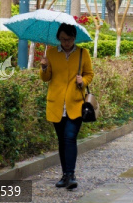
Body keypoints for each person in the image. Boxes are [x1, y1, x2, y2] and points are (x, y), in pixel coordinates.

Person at [40, 22, 94, 191]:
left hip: (75, 104)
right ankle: (65, 175)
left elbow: (89, 74)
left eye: (69, 39)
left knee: (70, 137)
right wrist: (44, 67)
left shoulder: (82, 53)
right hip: (56, 104)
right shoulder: (51, 53)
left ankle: (70, 175)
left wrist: (83, 81)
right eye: (63, 39)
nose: (66, 43)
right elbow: (46, 78)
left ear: (74, 38)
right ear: (59, 38)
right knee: (62, 141)